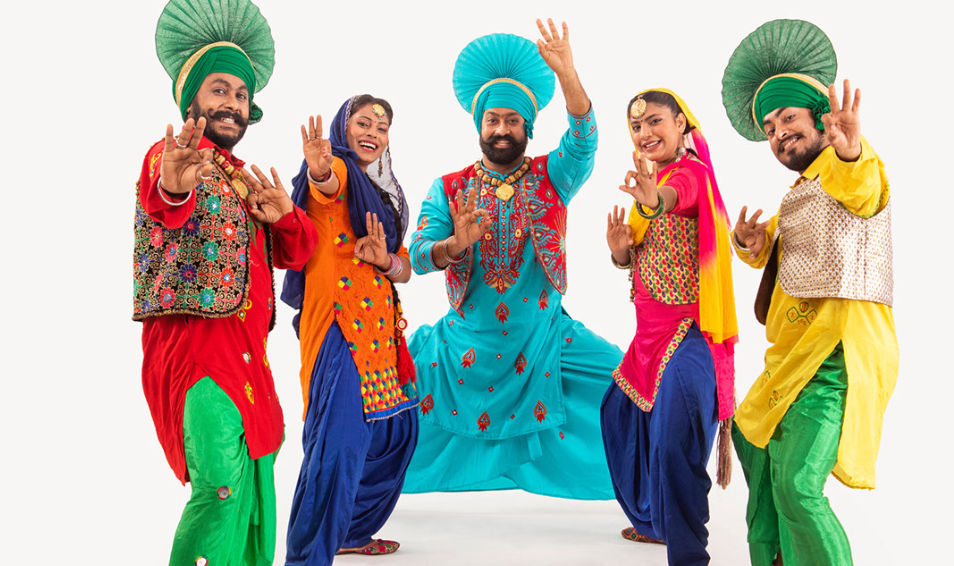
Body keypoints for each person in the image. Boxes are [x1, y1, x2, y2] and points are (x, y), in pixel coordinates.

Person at [403, 20, 623, 499]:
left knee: (630, 385)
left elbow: (584, 140)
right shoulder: (449, 187)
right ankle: (359, 501)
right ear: (479, 125)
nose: (501, 129)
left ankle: (648, 492)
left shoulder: (553, 177)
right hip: (465, 343)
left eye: (512, 120)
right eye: (492, 120)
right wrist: (452, 247)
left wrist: (567, 74)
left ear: (527, 126)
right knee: (386, 396)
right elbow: (417, 256)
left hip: (546, 338)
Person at [133, 1, 317, 564]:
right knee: (219, 487)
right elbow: (163, 200)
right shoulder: (171, 155)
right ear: (192, 100)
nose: (233, 103)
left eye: (241, 94)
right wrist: (173, 184)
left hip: (248, 360)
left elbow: (298, 252)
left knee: (257, 487)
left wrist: (285, 213)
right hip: (197, 356)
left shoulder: (244, 177)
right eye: (220, 90)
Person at [720, 19, 898, 566]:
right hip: (790, 359)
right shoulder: (801, 193)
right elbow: (782, 246)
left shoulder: (851, 169)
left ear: (823, 120)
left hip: (834, 359)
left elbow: (862, 190)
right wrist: (752, 244)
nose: (778, 134)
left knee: (798, 484)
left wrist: (850, 151)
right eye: (770, 127)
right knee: (750, 435)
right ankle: (774, 558)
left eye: (788, 119)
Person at [601, 89, 738, 566]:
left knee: (673, 443)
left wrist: (655, 200)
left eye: (655, 121)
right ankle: (654, 522)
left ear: (682, 125)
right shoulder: (647, 183)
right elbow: (639, 256)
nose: (645, 132)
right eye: (637, 127)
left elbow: (678, 199)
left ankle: (687, 555)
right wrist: (622, 251)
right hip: (648, 340)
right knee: (618, 414)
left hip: (690, 335)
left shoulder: (689, 175)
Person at [280, 96, 419, 562]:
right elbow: (326, 186)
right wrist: (321, 170)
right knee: (338, 446)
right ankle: (308, 555)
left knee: (396, 435)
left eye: (382, 127)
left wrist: (386, 261)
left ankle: (351, 530)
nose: (374, 133)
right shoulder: (338, 169)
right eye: (364, 122)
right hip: (341, 328)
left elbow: (403, 269)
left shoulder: (384, 189)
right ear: (344, 128)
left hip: (381, 333)